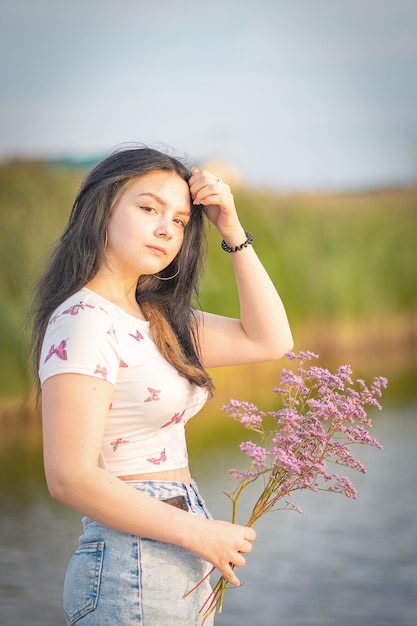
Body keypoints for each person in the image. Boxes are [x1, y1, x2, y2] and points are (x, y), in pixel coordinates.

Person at [30, 146, 293, 625]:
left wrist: (231, 230)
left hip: (172, 551)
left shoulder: (158, 320)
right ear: (102, 207)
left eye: (180, 219)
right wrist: (200, 534)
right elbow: (69, 476)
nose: (166, 229)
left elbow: (270, 339)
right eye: (148, 208)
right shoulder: (84, 321)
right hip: (136, 559)